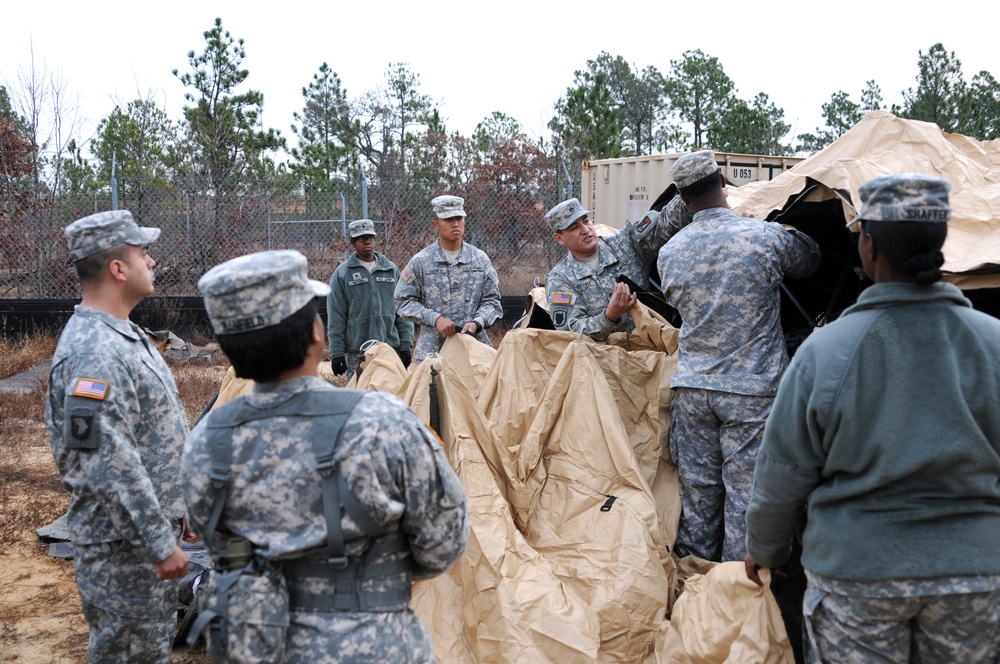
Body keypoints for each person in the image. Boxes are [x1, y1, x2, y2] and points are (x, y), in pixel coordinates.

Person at [745, 174, 1000, 663]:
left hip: (857, 579)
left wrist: (766, 549)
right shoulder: (990, 343)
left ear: (868, 244)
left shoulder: (827, 351)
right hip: (974, 578)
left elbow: (783, 473)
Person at [183, 249, 469, 662]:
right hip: (374, 643)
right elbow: (444, 543)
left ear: (230, 351)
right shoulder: (384, 422)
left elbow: (217, 543)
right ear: (317, 336)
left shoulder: (207, 440)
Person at [656, 150, 820, 562]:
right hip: (751, 393)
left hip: (692, 391)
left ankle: (694, 597)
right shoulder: (763, 238)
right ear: (724, 183)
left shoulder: (670, 253)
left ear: (682, 197)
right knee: (745, 501)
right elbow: (811, 259)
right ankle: (740, 604)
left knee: (697, 499)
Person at [44, 210, 191, 663]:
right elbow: (106, 462)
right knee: (129, 654)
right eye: (144, 253)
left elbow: (151, 438)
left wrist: (178, 508)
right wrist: (158, 542)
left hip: (140, 539)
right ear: (118, 268)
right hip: (123, 549)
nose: (153, 262)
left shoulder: (123, 334)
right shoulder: (94, 351)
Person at [543, 193, 692, 341]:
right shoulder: (560, 279)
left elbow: (666, 221)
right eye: (574, 227)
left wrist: (691, 187)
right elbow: (570, 334)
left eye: (586, 221)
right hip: (605, 358)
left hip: (652, 346)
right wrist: (609, 316)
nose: (585, 230)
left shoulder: (625, 243)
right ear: (559, 238)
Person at [394, 194, 502, 362]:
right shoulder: (421, 262)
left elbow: (492, 301)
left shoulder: (480, 259)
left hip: (474, 352)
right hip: (434, 354)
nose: (455, 223)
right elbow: (402, 301)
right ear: (435, 225)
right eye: (448, 219)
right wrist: (435, 319)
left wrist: (477, 323)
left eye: (459, 218)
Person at [327, 219, 414, 378]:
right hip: (358, 352)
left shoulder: (390, 269)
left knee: (392, 394)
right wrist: (337, 352)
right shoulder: (343, 273)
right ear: (353, 242)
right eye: (361, 238)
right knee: (360, 396)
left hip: (390, 348)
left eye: (370, 237)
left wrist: (406, 346)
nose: (367, 242)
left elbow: (403, 309)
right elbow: (336, 315)